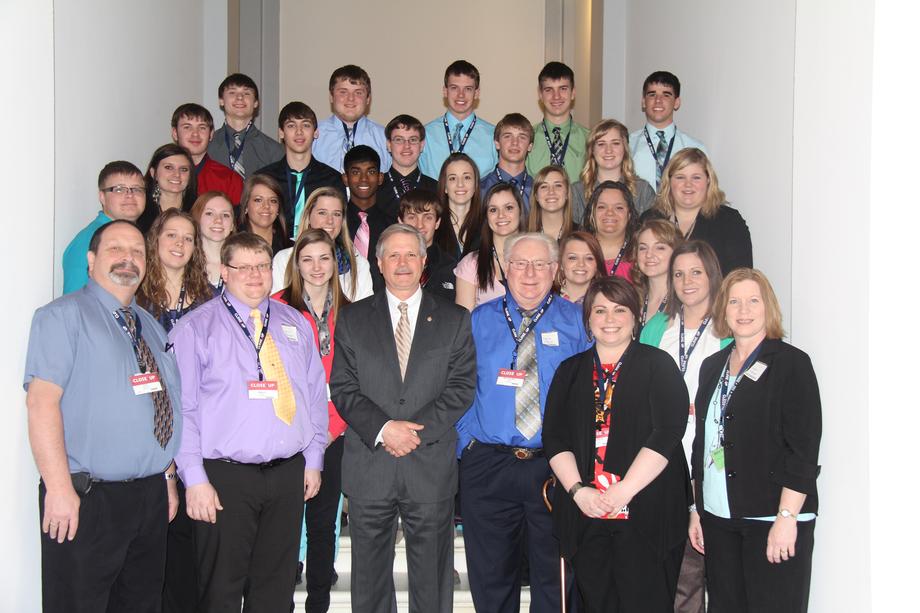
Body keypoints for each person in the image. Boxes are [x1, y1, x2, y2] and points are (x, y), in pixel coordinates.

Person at [25, 219, 182, 612]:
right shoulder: (62, 317)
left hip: (147, 496)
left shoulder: (150, 326)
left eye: (137, 252)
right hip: (86, 499)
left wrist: (166, 478)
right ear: (91, 260)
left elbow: (163, 404)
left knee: (141, 604)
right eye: (116, 249)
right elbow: (41, 404)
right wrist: (59, 489)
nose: (128, 259)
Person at [170, 231, 328, 612]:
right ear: (224, 271)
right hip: (224, 478)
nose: (255, 275)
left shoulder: (295, 323)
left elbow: (313, 394)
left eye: (261, 266)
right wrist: (194, 479)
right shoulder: (196, 328)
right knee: (221, 589)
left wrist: (315, 458)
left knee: (276, 590)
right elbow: (183, 410)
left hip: (287, 474)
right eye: (244, 267)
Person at [330, 224, 477, 613]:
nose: (402, 263)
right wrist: (384, 430)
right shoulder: (352, 318)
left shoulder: (455, 319)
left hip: (428, 465)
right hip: (370, 464)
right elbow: (343, 388)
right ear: (378, 263)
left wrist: (412, 434)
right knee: (370, 582)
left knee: (432, 581)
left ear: (425, 261)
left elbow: (461, 387)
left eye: (411, 254)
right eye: (392, 255)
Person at [457, 232, 590, 613]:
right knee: (491, 577)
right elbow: (460, 386)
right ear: (504, 270)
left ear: (555, 270)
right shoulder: (479, 320)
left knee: (555, 580)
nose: (529, 274)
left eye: (540, 264)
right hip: (489, 466)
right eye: (519, 264)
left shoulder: (577, 321)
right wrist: (466, 442)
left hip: (554, 466)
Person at [543, 276, 690, 612]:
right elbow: (555, 437)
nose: (610, 319)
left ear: (636, 316)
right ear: (588, 319)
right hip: (588, 512)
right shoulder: (569, 371)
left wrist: (625, 490)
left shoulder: (658, 365)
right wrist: (579, 491)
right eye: (600, 310)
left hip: (645, 513)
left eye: (620, 310)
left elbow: (667, 432)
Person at [690, 268, 821, 613]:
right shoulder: (712, 366)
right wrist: (696, 510)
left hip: (772, 520)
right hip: (719, 520)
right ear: (723, 310)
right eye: (734, 301)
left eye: (753, 300)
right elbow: (703, 443)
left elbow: (803, 450)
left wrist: (787, 517)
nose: (743, 310)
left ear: (768, 308)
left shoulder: (792, 364)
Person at [639, 240, 729, 613]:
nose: (687, 281)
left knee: (710, 567)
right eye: (678, 274)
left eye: (696, 272)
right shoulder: (658, 325)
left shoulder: (728, 325)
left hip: (712, 463)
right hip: (661, 460)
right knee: (673, 571)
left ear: (712, 275)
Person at [273, 229, 351, 613]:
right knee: (285, 527)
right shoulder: (274, 308)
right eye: (308, 259)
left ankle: (317, 603)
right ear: (296, 264)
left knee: (323, 527)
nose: (317, 267)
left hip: (335, 434)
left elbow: (356, 379)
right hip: (286, 434)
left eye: (325, 258)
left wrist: (333, 429)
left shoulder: (352, 311)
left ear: (335, 263)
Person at [645, 148, 753, 274]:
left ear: (708, 180)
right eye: (680, 177)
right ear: (669, 182)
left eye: (696, 178)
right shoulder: (650, 219)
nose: (688, 184)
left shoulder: (729, 221)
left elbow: (739, 277)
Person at [254, 101, 345, 240]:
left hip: (318, 251)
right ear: (281, 133)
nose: (299, 131)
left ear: (316, 132)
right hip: (272, 252)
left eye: (306, 125)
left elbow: (340, 226)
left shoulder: (332, 179)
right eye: (291, 126)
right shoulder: (264, 179)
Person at [272, 186, 373, 301]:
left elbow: (365, 313)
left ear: (342, 221)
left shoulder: (358, 263)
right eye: (322, 213)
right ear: (308, 216)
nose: (330, 221)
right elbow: (277, 309)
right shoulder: (285, 259)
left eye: (336, 214)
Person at [62, 161, 147, 294]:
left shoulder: (140, 237)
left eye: (137, 189)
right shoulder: (89, 240)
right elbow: (73, 305)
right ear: (102, 197)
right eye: (119, 189)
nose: (130, 195)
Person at [136, 209, 213, 333]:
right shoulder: (136, 294)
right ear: (156, 239)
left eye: (188, 239)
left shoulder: (209, 297)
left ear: (195, 248)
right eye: (171, 235)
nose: (180, 243)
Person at [629, 71, 707, 191]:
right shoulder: (627, 145)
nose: (658, 100)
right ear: (644, 102)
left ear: (676, 103)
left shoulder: (695, 148)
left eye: (666, 95)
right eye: (652, 94)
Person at [420, 60, 498, 177]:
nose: (460, 95)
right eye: (454, 88)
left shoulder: (493, 136)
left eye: (468, 89)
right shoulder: (425, 135)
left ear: (476, 93)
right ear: (445, 91)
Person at [454, 183, 524, 311]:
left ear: (520, 211)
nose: (501, 215)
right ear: (486, 216)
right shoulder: (471, 264)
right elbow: (464, 325)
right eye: (493, 210)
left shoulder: (539, 258)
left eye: (508, 208)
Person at [573, 119, 656, 224]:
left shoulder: (643, 191)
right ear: (592, 150)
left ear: (624, 149)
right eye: (601, 144)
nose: (608, 150)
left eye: (615, 143)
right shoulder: (576, 192)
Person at [313, 65, 390, 172]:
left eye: (358, 93)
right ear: (331, 96)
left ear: (368, 98)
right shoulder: (314, 136)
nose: (350, 98)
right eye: (343, 92)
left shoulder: (384, 138)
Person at [207, 73, 284, 179]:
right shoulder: (206, 146)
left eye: (246, 93)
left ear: (256, 103)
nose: (239, 97)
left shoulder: (275, 151)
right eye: (232, 92)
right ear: (221, 101)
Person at [526, 62, 589, 183]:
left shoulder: (589, 138)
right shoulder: (527, 138)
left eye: (563, 89)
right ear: (540, 94)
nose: (556, 96)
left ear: (573, 92)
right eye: (549, 90)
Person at [170, 102, 244, 204]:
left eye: (202, 127)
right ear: (175, 133)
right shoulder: (163, 175)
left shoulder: (230, 180)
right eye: (187, 127)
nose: (195, 134)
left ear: (211, 134)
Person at [343, 145, 394, 291]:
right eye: (355, 172)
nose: (363, 179)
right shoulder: (335, 224)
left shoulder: (391, 227)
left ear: (380, 177)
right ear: (345, 178)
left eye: (371, 172)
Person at [399, 188, 458, 302]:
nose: (420, 225)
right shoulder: (388, 264)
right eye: (412, 217)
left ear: (437, 223)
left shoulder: (451, 267)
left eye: (428, 217)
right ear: (401, 221)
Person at [377, 114, 439, 220]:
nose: (407, 146)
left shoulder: (436, 189)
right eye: (399, 140)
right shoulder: (375, 188)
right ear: (389, 145)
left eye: (413, 140)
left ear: (422, 145)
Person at [631, 218, 682, 329]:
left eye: (660, 248)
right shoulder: (631, 299)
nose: (649, 254)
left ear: (677, 252)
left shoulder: (685, 300)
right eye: (643, 248)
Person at [479, 113, 535, 214]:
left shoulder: (538, 190)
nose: (515, 142)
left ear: (530, 146)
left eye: (522, 137)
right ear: (497, 143)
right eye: (508, 136)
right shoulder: (480, 189)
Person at [583, 180, 639, 280]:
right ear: (592, 213)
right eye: (601, 207)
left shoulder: (641, 257)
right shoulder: (575, 253)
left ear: (629, 214)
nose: (610, 213)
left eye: (618, 208)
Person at [137, 144, 198, 234]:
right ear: (153, 173)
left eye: (183, 169)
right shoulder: (139, 208)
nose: (177, 174)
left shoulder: (199, 209)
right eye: (168, 167)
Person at [438, 152, 482, 257]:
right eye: (452, 178)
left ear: (475, 184)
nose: (460, 184)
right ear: (444, 186)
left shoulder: (488, 224)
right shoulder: (433, 224)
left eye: (467, 177)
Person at [190, 191, 236, 289]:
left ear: (232, 225)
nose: (218, 220)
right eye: (209, 213)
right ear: (197, 219)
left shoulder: (243, 264)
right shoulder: (184, 263)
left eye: (225, 215)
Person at [238, 174, 293, 255]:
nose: (266, 206)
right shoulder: (232, 244)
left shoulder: (292, 249)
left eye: (273, 201)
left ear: (278, 208)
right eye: (258, 200)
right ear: (246, 206)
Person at [527, 164, 575, 241]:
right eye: (544, 186)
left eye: (558, 185)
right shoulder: (523, 235)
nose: (551, 192)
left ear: (567, 194)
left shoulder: (580, 234)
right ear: (536, 196)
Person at [557, 231, 606, 304]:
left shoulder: (607, 300)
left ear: (597, 265)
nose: (581, 264)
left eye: (589, 258)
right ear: (561, 264)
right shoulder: (544, 298)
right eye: (573, 258)